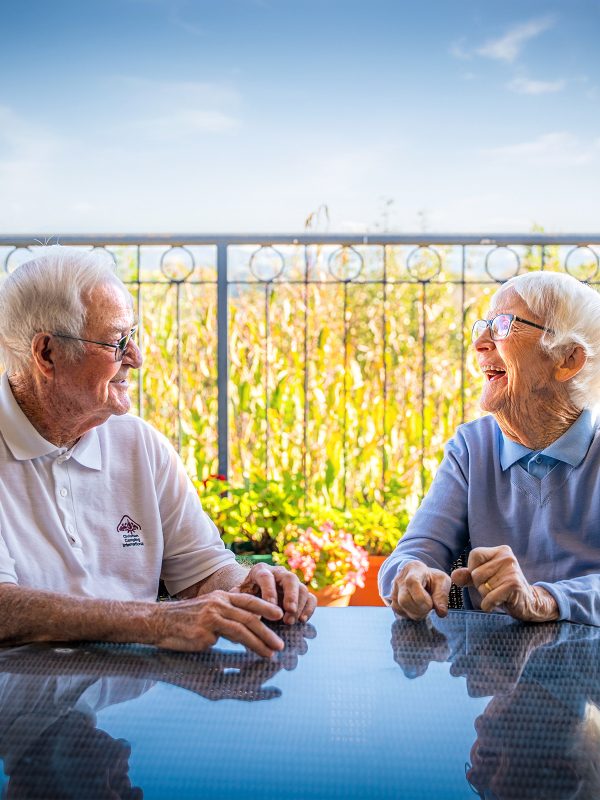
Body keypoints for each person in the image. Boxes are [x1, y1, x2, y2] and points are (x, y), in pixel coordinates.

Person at [0, 247, 315, 657]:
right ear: (47, 354)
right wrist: (157, 621)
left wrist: (248, 585)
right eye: (118, 341)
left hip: (125, 702)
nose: (137, 358)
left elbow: (203, 571)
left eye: (133, 336)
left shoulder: (139, 445)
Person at [379, 270, 600, 626]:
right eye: (483, 325)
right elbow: (415, 552)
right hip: (492, 669)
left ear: (568, 360)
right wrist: (412, 573)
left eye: (503, 325)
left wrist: (545, 599)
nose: (480, 341)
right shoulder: (471, 448)